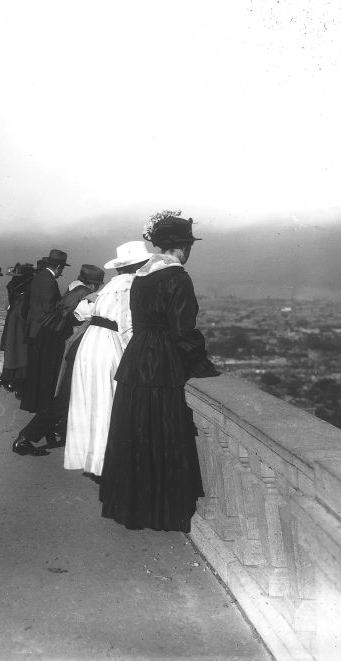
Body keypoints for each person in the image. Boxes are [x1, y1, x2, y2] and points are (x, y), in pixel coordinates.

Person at [99, 212, 220, 532]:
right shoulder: (178, 277)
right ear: (182, 247)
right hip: (163, 363)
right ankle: (163, 512)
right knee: (163, 435)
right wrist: (201, 363)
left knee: (137, 435)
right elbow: (183, 330)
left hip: (137, 360)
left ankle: (134, 508)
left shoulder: (141, 276)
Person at [63, 241, 153, 476]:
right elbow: (127, 325)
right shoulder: (133, 286)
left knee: (88, 400)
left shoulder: (111, 285)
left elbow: (82, 310)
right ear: (140, 265)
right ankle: (106, 464)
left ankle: (90, 459)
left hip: (90, 342)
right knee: (107, 402)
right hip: (108, 344)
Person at [11, 264, 105, 456]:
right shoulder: (86, 298)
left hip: (57, 343)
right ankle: (28, 436)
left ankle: (45, 431)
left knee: (64, 395)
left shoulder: (74, 289)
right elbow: (88, 315)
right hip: (71, 347)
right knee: (64, 396)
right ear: (95, 285)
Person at [19, 249, 69, 414]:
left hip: (34, 329)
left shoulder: (40, 277)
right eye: (62, 269)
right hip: (43, 331)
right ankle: (41, 404)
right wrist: (63, 307)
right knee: (43, 370)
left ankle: (33, 403)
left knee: (35, 369)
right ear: (58, 267)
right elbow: (48, 307)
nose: (62, 273)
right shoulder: (49, 281)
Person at [0, 262, 35, 397]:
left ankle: (8, 379)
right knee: (22, 353)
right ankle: (19, 386)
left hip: (13, 318)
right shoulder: (28, 284)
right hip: (21, 319)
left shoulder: (13, 285)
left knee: (12, 351)